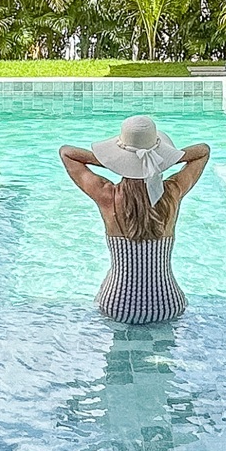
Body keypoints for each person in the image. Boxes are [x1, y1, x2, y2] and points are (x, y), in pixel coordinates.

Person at [59, 115, 211, 324]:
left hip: (117, 306)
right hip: (167, 305)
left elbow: (67, 153)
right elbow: (202, 152)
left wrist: (111, 163)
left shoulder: (107, 196)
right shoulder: (172, 193)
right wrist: (163, 161)